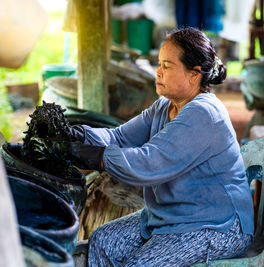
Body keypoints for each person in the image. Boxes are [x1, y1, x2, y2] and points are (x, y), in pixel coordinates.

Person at [50, 27, 254, 266]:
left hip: (217, 225)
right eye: (159, 64)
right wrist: (77, 135)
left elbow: (148, 163)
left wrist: (96, 157)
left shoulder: (204, 114)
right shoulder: (164, 106)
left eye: (167, 66)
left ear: (194, 74)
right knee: (103, 241)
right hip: (171, 216)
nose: (158, 73)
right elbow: (118, 138)